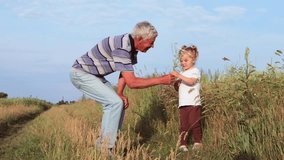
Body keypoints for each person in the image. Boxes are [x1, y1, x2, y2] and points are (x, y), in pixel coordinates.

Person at [69, 21, 175, 154]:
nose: (153, 46)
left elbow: (124, 72)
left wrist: (120, 93)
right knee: (114, 103)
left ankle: (104, 145)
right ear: (139, 39)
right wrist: (161, 79)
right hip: (80, 73)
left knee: (119, 102)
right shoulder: (122, 48)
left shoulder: (132, 48)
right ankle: (105, 149)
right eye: (151, 42)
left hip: (94, 75)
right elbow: (132, 82)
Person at [171, 45, 203, 152]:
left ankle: (197, 142)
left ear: (193, 60)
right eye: (181, 61)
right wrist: (176, 84)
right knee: (183, 125)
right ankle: (183, 143)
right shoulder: (183, 74)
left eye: (186, 60)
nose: (183, 63)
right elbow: (180, 87)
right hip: (183, 103)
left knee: (194, 123)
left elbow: (191, 82)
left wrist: (179, 76)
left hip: (194, 103)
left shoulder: (195, 71)